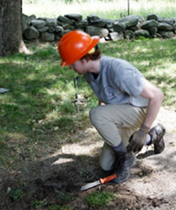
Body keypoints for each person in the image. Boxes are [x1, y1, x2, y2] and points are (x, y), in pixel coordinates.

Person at [57, 30, 166, 183]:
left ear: (84, 58)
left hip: (139, 112)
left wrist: (142, 130)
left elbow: (157, 95)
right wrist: (107, 124)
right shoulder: (89, 73)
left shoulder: (118, 70)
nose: (71, 68)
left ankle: (129, 153)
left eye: (72, 63)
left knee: (96, 114)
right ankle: (154, 136)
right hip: (123, 115)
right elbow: (104, 97)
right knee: (106, 165)